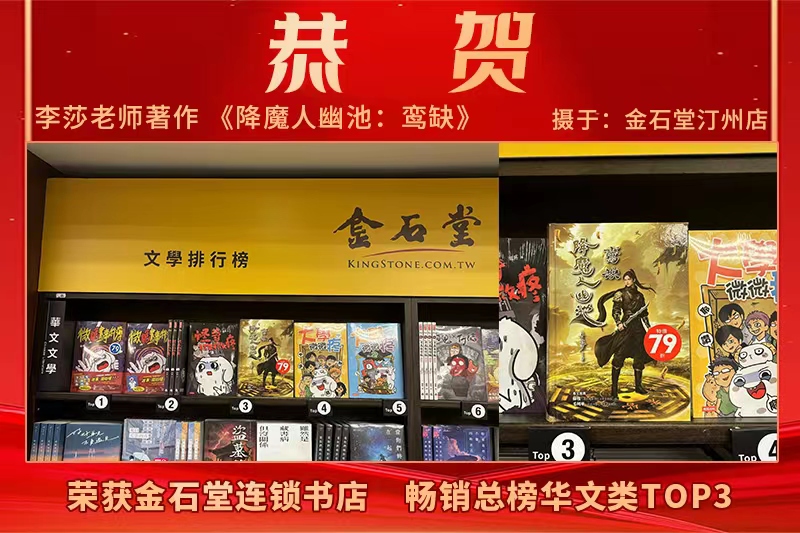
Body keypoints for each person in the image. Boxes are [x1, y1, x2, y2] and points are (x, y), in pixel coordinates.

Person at [594, 269, 654, 398]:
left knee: (639, 357)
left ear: (633, 280)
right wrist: (618, 323)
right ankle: (614, 390)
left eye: (629, 279)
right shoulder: (620, 293)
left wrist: (649, 328)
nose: (626, 282)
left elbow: (644, 314)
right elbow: (616, 310)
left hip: (638, 329)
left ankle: (638, 386)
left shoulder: (640, 296)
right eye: (625, 279)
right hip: (625, 327)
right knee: (618, 357)